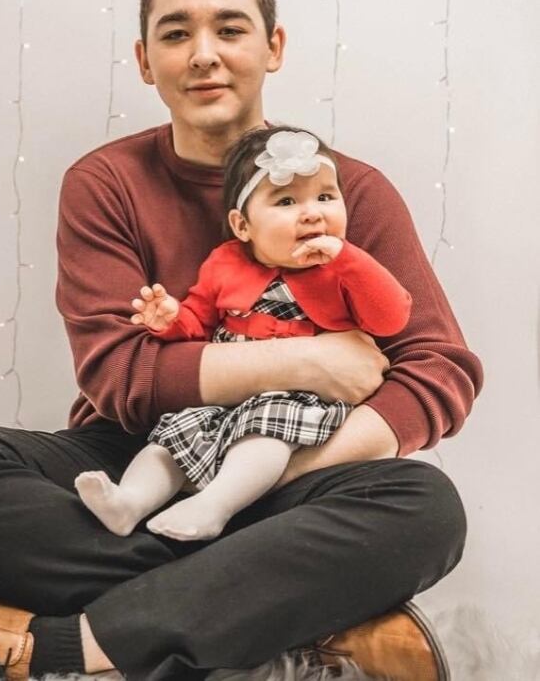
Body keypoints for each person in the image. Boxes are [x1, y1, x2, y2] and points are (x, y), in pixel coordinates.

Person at [0, 0, 482, 681]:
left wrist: (267, 481)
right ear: (145, 60)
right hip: (140, 452)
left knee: (424, 508)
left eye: (230, 29)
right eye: (176, 33)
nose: (204, 53)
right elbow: (121, 377)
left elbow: (437, 370)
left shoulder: (348, 193)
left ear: (274, 46)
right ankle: (289, 615)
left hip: (291, 458)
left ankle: (43, 642)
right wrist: (309, 359)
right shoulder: (105, 182)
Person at [75, 126, 412, 542]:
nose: (312, 213)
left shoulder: (341, 271)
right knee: (172, 439)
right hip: (227, 400)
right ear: (243, 225)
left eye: (325, 197)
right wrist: (170, 319)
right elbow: (198, 322)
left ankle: (213, 506)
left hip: (296, 405)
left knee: (263, 439)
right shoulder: (225, 263)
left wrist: (350, 260)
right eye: (286, 201)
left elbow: (392, 318)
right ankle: (129, 503)